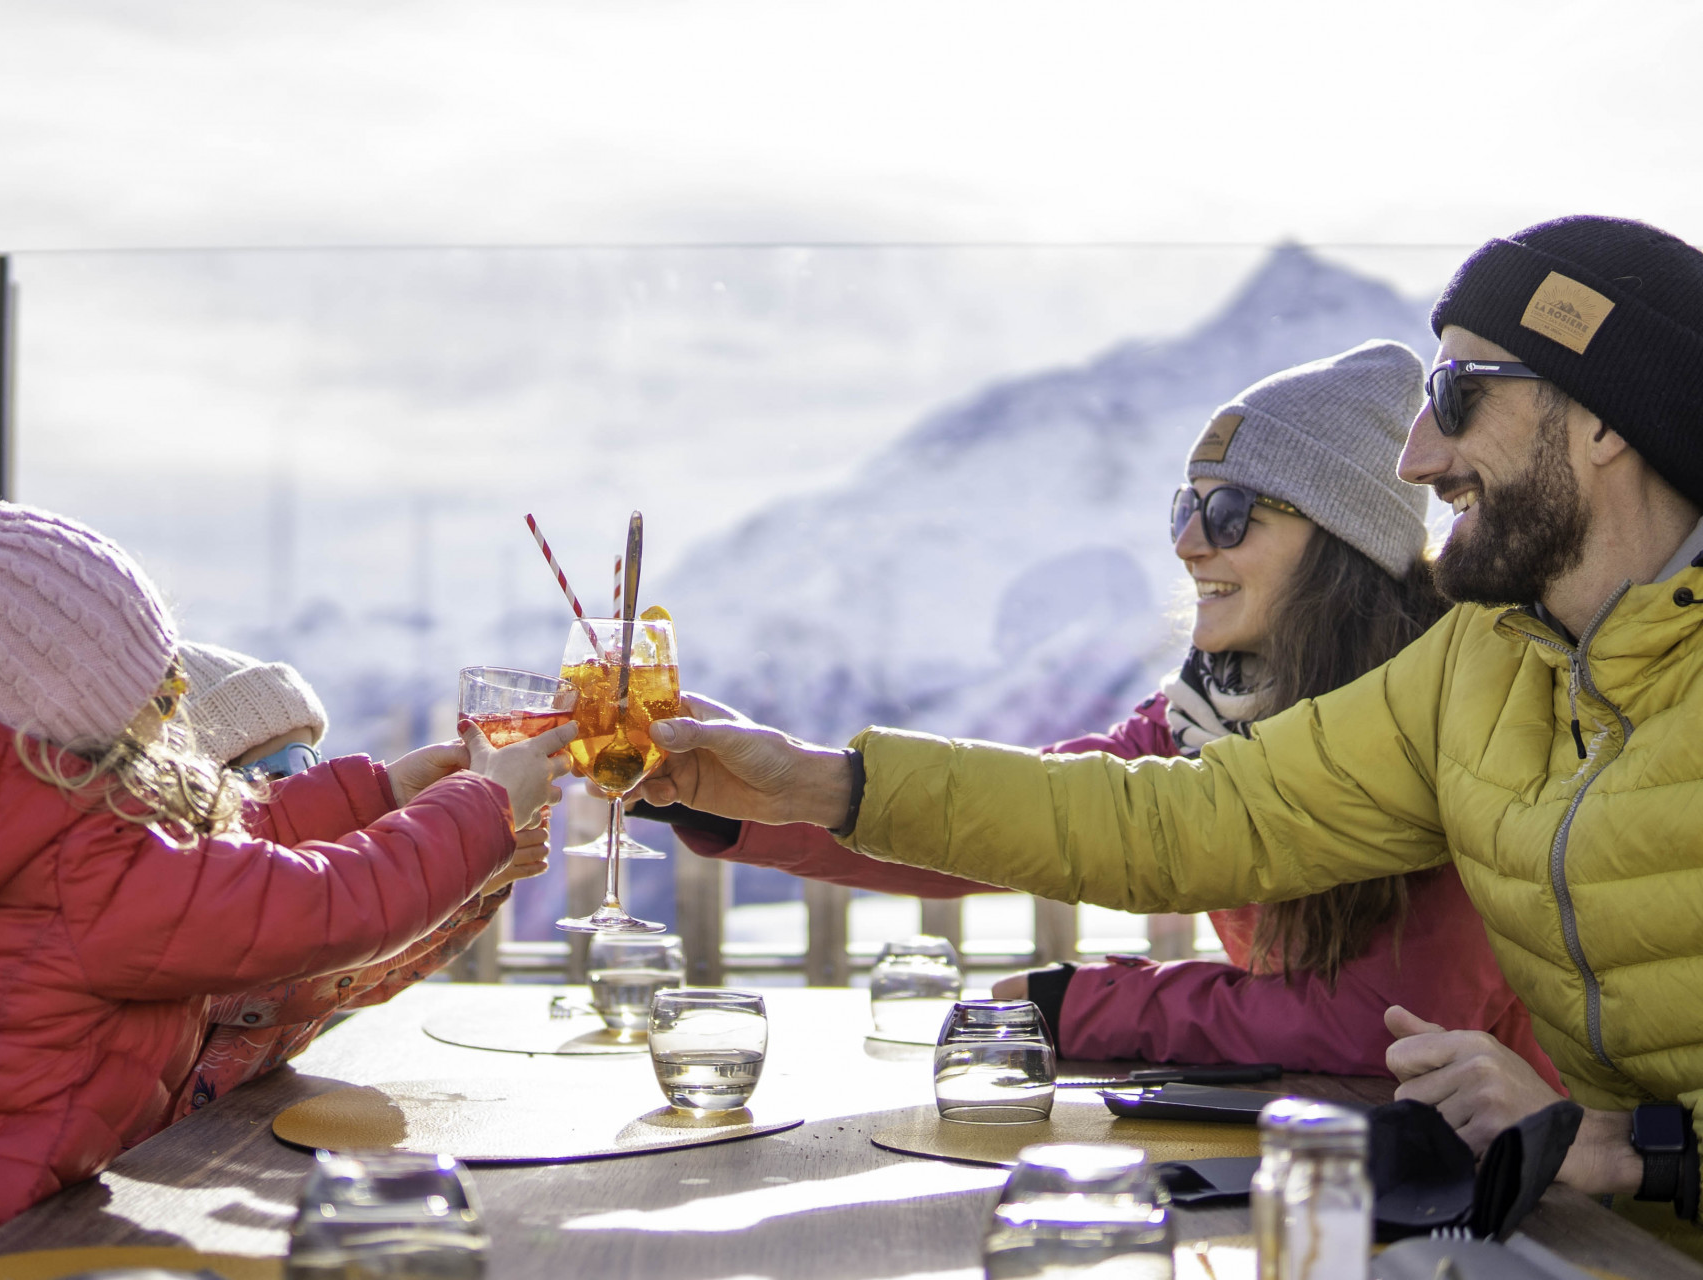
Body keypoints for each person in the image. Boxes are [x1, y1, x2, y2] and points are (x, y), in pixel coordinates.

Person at [634, 216, 1703, 1255]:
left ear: (1606, 417)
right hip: (1570, 1232)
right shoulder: (1487, 663)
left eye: (1458, 396)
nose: (1418, 457)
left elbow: (1383, 1020)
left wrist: (1652, 1158)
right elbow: (1167, 819)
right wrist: (802, 785)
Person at [638, 341, 1559, 1084]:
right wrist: (746, 797)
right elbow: (1024, 820)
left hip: (1530, 1207)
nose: (1191, 543)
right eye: (1184, 509)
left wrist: (1078, 1002)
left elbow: (1383, 1026)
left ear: (1342, 544)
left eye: (1233, 513)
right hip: (1324, 1137)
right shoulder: (1208, 711)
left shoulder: (1440, 716)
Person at [0, 463, 574, 1278]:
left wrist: (380, 792)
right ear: (56, 698)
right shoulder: (79, 872)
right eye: (148, 678)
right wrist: (483, 805)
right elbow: (323, 909)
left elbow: (202, 860)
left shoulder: (0, 834)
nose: (174, 696)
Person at [169, 640, 550, 1121]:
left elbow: (355, 978)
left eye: (307, 761)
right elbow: (291, 974)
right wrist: (452, 858)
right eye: (265, 775)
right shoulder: (185, 909)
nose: (298, 783)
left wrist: (465, 881)